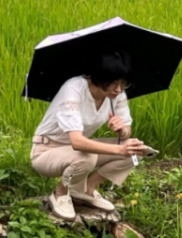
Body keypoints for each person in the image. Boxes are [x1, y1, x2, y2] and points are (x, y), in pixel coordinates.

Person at [30, 51, 147, 220]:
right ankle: (60, 193)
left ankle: (86, 189)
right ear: (99, 76)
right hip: (47, 151)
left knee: (136, 149)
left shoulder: (117, 95)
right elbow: (77, 142)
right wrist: (119, 150)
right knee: (88, 157)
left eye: (123, 83)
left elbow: (127, 130)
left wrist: (122, 129)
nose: (119, 89)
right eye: (113, 83)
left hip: (77, 150)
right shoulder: (74, 89)